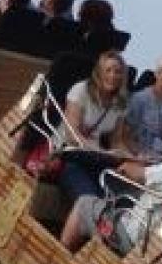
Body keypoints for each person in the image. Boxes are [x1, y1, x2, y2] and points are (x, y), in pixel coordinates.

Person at [60, 125, 162, 252]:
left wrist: (132, 160)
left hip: (132, 237)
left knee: (84, 203)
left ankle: (61, 252)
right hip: (157, 241)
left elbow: (129, 173)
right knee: (119, 201)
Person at [56, 51, 134, 198]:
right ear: (98, 72)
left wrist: (130, 155)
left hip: (97, 160)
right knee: (90, 198)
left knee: (118, 198)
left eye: (118, 72)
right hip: (71, 156)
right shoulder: (81, 90)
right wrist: (98, 150)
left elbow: (116, 141)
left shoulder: (121, 102)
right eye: (108, 70)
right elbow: (72, 135)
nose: (112, 76)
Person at [123, 54, 162, 160]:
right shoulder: (139, 100)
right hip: (136, 159)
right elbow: (123, 137)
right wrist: (141, 156)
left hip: (156, 160)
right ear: (158, 74)